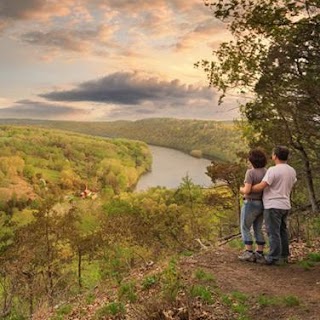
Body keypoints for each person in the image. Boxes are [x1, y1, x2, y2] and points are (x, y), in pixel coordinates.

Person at [250, 146, 296, 265]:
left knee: (273, 231)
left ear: (275, 156)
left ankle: (273, 257)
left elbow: (262, 186)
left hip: (273, 205)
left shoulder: (273, 170)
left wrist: (248, 189)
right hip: (285, 204)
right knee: (282, 231)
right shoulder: (291, 170)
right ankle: (284, 255)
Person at [238, 149, 267, 262]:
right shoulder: (266, 171)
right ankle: (259, 252)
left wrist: (240, 189)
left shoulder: (250, 172)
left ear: (252, 160)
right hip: (262, 203)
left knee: (245, 227)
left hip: (250, 202)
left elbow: (247, 190)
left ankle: (249, 252)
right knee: (258, 228)